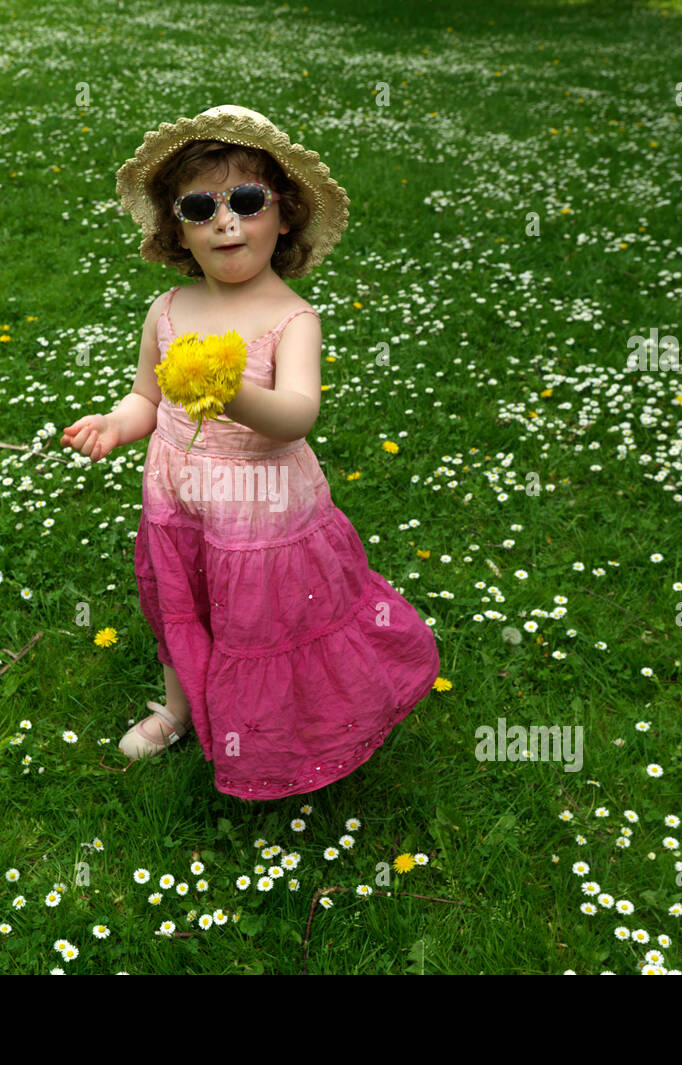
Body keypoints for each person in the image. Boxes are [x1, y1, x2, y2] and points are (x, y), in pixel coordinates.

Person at [61, 105, 441, 801]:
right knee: (182, 605)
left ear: (285, 215)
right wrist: (116, 424)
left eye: (245, 200)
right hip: (176, 499)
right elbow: (147, 398)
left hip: (260, 514)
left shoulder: (292, 318)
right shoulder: (169, 310)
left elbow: (297, 415)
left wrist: (231, 395)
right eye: (200, 206)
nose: (225, 221)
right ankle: (177, 709)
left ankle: (274, 727)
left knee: (260, 624)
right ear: (178, 228)